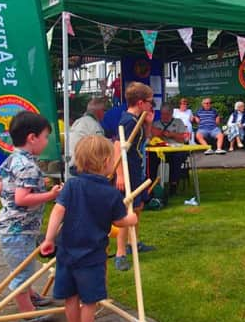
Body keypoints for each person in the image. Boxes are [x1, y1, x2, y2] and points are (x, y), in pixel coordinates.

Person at [40, 135, 137, 322]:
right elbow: (119, 221)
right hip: (92, 257)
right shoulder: (111, 193)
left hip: (66, 253)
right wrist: (131, 219)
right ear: (107, 162)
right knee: (89, 301)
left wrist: (49, 238)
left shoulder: (72, 185)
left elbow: (58, 211)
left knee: (70, 297)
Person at [0, 111, 63, 322]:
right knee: (22, 272)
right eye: (45, 137)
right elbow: (22, 198)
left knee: (23, 265)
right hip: (18, 229)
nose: (46, 142)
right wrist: (51, 195)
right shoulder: (28, 167)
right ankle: (27, 312)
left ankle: (31, 295)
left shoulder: (13, 159)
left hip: (12, 227)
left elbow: (0, 187)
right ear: (32, 138)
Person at [113, 82, 155, 271]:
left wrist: (148, 124)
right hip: (127, 171)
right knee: (127, 211)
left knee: (138, 207)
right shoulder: (128, 121)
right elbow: (117, 147)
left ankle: (133, 243)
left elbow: (144, 140)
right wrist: (120, 175)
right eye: (149, 102)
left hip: (136, 169)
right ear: (140, 102)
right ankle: (121, 253)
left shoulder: (137, 120)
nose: (151, 106)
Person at [149, 103, 189, 195]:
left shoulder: (179, 122)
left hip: (175, 150)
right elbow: (150, 138)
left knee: (177, 157)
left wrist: (172, 135)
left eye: (167, 114)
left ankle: (173, 184)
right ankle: (152, 184)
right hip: (161, 152)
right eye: (163, 114)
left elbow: (185, 137)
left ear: (171, 114)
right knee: (151, 157)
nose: (164, 116)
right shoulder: (156, 124)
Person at [68, 97, 106, 173]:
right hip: (83, 168)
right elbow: (102, 149)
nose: (105, 113)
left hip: (72, 165)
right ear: (99, 112)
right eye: (104, 110)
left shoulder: (78, 122)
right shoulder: (94, 125)